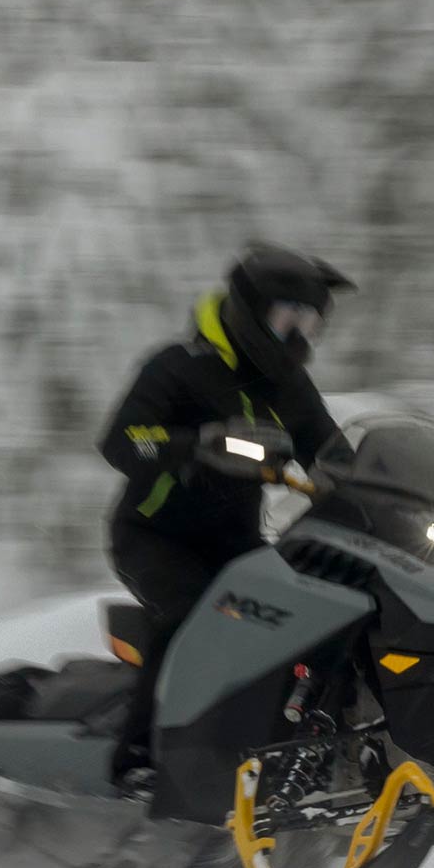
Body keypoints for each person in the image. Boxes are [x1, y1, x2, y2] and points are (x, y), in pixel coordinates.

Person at [96, 245, 355, 753]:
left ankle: (305, 750)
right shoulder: (178, 367)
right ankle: (140, 760)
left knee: (317, 613)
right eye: (287, 319)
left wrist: (367, 482)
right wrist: (196, 444)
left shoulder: (289, 387)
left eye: (309, 324)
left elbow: (333, 453)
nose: (298, 336)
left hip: (234, 542)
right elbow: (120, 442)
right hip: (154, 537)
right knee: (193, 618)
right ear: (249, 311)